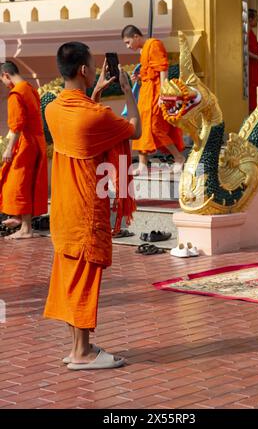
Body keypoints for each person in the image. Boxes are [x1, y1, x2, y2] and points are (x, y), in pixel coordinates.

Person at [43, 42, 141, 370]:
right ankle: (83, 354)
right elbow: (136, 130)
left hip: (63, 209)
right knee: (85, 279)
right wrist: (128, 92)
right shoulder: (96, 114)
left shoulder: (53, 110)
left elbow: (81, 129)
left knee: (70, 277)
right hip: (86, 208)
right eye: (93, 66)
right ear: (85, 71)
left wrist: (93, 95)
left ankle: (76, 348)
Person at [121, 25, 185, 175]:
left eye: (128, 42)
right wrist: (139, 77)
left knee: (156, 128)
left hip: (156, 93)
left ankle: (178, 157)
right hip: (146, 93)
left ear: (136, 37)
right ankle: (142, 164)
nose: (128, 46)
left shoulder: (154, 44)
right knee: (141, 127)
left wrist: (164, 93)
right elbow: (149, 72)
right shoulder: (144, 50)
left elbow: (163, 69)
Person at [0, 61, 48, 239]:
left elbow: (17, 126)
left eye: (2, 80)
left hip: (26, 143)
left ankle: (26, 228)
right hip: (37, 141)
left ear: (6, 75)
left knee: (17, 183)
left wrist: (8, 149)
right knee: (27, 182)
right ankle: (20, 219)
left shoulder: (16, 94)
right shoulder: (30, 88)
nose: (4, 84)